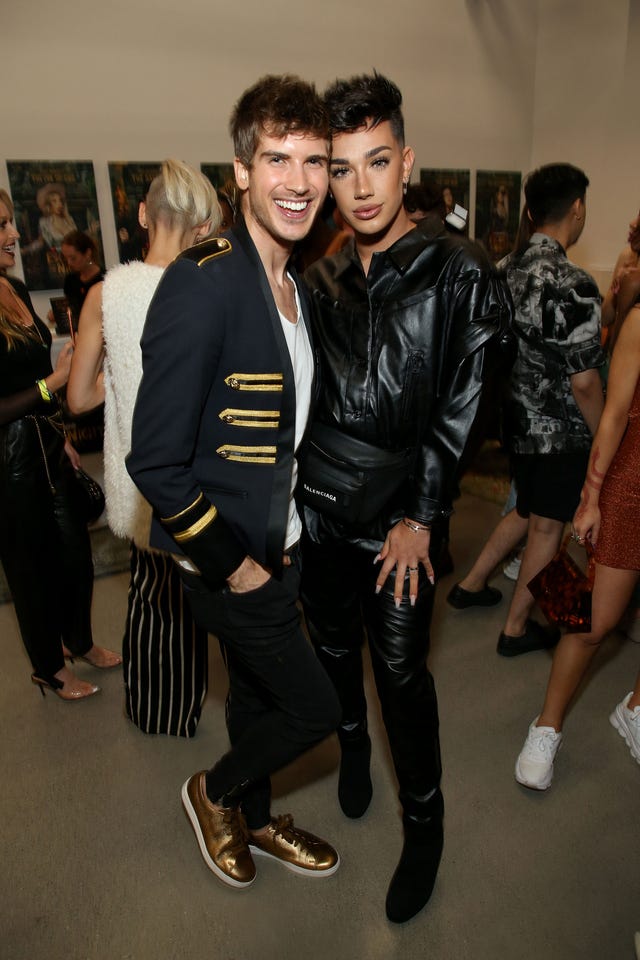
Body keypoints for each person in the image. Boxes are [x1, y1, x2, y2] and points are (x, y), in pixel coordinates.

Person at [298, 72, 512, 924]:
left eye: (376, 162)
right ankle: (351, 745)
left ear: (407, 160)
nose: (360, 187)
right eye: (341, 168)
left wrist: (422, 514)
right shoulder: (321, 278)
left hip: (402, 522)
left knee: (399, 674)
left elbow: (468, 405)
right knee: (331, 649)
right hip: (323, 509)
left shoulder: (461, 271)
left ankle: (425, 827)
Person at [127, 75, 341, 888]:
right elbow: (155, 461)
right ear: (242, 170)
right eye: (278, 159)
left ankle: (255, 818)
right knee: (314, 708)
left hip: (283, 542)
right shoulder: (203, 280)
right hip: (227, 558)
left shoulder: (295, 285)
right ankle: (214, 793)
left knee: (254, 699)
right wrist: (239, 568)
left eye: (314, 161)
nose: (299, 181)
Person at [66, 160, 218, 737]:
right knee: (209, 589)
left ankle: (158, 711)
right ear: (203, 227)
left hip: (139, 479)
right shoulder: (209, 290)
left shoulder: (105, 294)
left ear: (141, 215)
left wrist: (121, 378)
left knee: (153, 595)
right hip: (202, 475)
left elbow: (78, 398)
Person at [452, 164, 605, 656]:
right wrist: (605, 436)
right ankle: (516, 630)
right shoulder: (574, 283)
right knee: (547, 526)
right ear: (577, 208)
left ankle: (471, 585)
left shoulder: (503, 269)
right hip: (561, 434)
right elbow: (585, 382)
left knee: (528, 510)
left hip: (514, 423)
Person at [0, 188, 121, 700]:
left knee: (75, 553)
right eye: (2, 225)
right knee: (29, 570)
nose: (14, 233)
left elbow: (32, 376)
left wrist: (61, 434)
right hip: (8, 462)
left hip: (47, 445)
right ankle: (49, 668)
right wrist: (55, 382)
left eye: (10, 222)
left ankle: (79, 640)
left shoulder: (14, 288)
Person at [515, 298, 640, 789]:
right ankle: (546, 724)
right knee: (594, 621)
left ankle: (635, 708)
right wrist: (591, 497)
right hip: (633, 486)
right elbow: (613, 415)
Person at [60, 230, 104, 329]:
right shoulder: (70, 280)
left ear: (87, 254)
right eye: (66, 258)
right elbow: (70, 309)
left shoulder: (105, 280)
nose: (69, 263)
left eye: (73, 258)